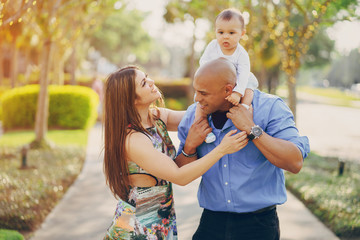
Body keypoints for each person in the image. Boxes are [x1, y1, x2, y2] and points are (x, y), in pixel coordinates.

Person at [102, 65, 249, 240]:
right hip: (138, 226)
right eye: (143, 83)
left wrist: (237, 92)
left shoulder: (156, 117)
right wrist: (222, 149)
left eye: (147, 76)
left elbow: (199, 112)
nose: (151, 82)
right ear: (131, 99)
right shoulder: (133, 140)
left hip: (159, 220)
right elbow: (179, 176)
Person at [176, 58, 310, 240]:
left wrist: (252, 129)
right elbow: (180, 174)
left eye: (203, 93)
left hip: (259, 226)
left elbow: (295, 162)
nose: (197, 98)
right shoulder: (194, 114)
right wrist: (190, 146)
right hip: (211, 223)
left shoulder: (270, 108)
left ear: (228, 90)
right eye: (196, 91)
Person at [195, 8, 258, 143]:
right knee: (200, 105)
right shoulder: (213, 46)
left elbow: (243, 74)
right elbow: (203, 63)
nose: (225, 36)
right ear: (216, 32)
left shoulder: (241, 54)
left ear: (242, 33)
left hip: (237, 79)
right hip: (216, 80)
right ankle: (202, 126)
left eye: (231, 33)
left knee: (249, 85)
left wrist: (237, 92)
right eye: (221, 32)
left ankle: (245, 110)